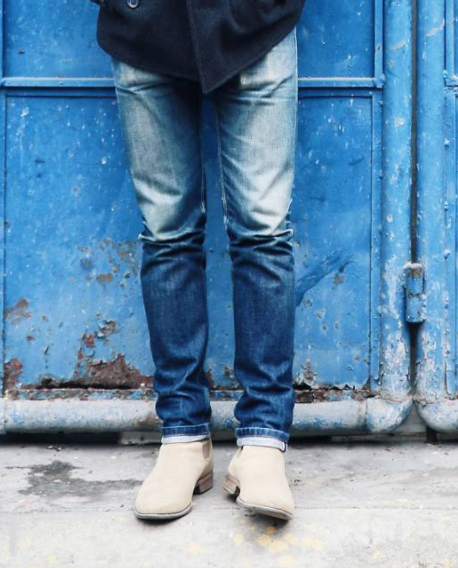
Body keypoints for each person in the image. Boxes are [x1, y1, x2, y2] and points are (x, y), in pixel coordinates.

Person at [90, 0, 306, 521]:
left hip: (258, 18)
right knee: (167, 234)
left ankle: (263, 441)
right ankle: (184, 439)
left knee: (264, 231)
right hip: (143, 21)